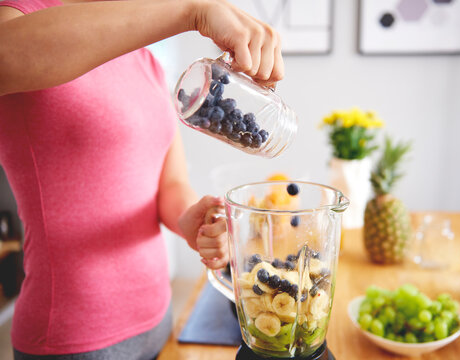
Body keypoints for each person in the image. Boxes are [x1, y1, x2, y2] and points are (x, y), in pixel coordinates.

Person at [0, 0, 284, 359]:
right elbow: (6, 55)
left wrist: (193, 221)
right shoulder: (19, 16)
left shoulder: (145, 59)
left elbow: (168, 184)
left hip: (157, 319)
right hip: (72, 337)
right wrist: (191, 10)